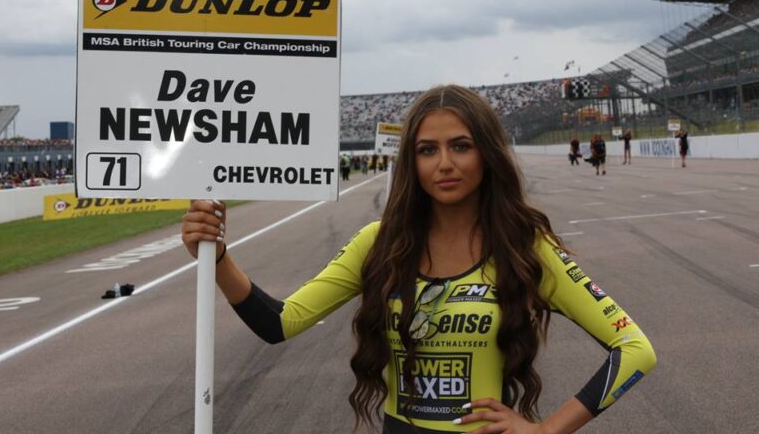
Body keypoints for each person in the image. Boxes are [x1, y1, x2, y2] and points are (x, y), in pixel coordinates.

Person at [181, 85, 656, 434]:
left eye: (461, 146)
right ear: (412, 161)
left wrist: (546, 430)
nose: (444, 163)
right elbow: (279, 323)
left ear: (487, 155)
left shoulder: (523, 247)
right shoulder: (378, 243)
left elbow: (635, 349)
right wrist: (217, 255)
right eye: (428, 150)